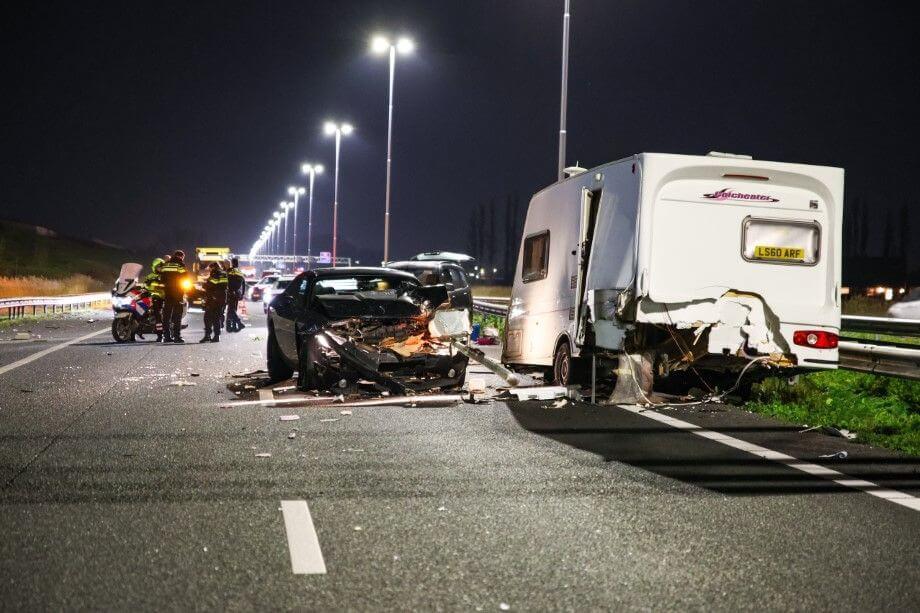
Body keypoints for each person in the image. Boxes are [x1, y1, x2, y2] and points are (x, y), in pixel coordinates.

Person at [159, 250, 188, 343]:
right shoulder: (180, 264)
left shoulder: (166, 265)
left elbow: (162, 278)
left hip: (168, 292)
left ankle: (166, 337)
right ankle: (177, 337)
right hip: (177, 293)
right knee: (177, 315)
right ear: (181, 257)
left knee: (166, 315)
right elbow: (185, 277)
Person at [201, 262, 228, 343]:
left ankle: (209, 335)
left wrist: (204, 285)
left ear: (213, 267)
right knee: (216, 318)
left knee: (208, 317)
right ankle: (215, 336)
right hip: (220, 298)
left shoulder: (216, 274)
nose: (209, 270)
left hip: (214, 298)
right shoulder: (223, 273)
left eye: (210, 268)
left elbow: (211, 284)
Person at [143, 257, 166, 342]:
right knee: (156, 315)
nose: (161, 268)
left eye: (162, 267)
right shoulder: (150, 276)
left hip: (162, 297)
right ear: (155, 267)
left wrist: (153, 285)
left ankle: (162, 334)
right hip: (152, 297)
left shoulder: (164, 276)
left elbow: (165, 286)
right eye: (159, 267)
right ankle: (159, 335)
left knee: (159, 315)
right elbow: (145, 285)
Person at [225, 257, 246, 332]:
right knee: (234, 309)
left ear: (232, 263)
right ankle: (233, 326)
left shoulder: (230, 271)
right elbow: (244, 284)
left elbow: (227, 282)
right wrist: (242, 294)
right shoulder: (240, 272)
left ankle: (238, 323)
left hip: (231, 292)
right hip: (238, 293)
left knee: (231, 309)